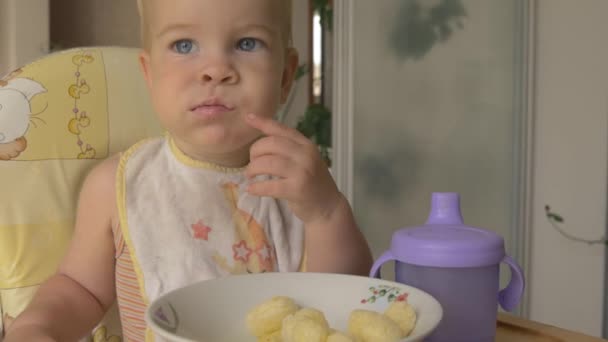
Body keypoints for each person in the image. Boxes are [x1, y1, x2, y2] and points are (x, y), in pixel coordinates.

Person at [4, 0, 373, 340]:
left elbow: (346, 299)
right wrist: (38, 326)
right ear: (149, 75)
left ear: (284, 77)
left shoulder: (301, 184)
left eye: (247, 43)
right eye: (184, 46)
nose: (216, 70)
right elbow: (78, 287)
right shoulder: (117, 187)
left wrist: (327, 214)